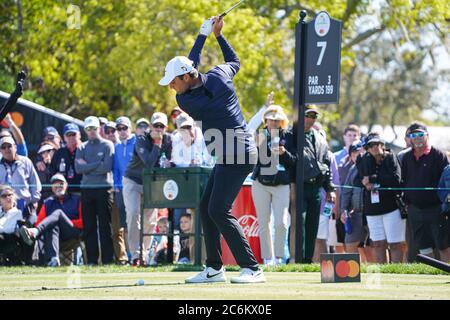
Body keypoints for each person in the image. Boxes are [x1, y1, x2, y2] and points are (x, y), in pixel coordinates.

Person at [159, 16, 264, 283]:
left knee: (218, 210)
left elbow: (192, 65)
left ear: (184, 77)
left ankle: (252, 268)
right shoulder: (219, 75)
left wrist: (203, 36)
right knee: (205, 207)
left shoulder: (186, 101)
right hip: (230, 154)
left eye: (173, 81)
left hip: (238, 154)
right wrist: (217, 36)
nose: (171, 86)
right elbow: (235, 62)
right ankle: (214, 268)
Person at [250, 104, 296, 266]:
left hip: (281, 184)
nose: (274, 123)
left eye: (277, 120)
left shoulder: (288, 136)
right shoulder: (259, 136)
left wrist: (284, 154)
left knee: (281, 222)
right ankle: (267, 258)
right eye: (270, 120)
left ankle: (279, 257)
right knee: (263, 222)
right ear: (266, 120)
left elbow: (294, 161)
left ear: (282, 121)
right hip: (260, 183)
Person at [123, 113, 172, 266]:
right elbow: (149, 164)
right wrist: (157, 144)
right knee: (133, 214)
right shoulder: (141, 140)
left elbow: (167, 162)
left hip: (151, 183)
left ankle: (144, 255)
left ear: (166, 127)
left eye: (161, 126)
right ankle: (135, 256)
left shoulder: (169, 140)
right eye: (156, 126)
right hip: (133, 180)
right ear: (150, 127)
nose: (158, 129)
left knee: (150, 222)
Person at [401, 122, 450, 262]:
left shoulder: (438, 155)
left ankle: (445, 273)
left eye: (420, 134)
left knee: (443, 245)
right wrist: (406, 202)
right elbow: (403, 180)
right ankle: (430, 272)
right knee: (423, 246)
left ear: (427, 136)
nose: (417, 138)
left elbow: (446, 181)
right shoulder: (407, 157)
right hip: (415, 209)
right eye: (413, 135)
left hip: (436, 208)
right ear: (409, 138)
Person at [358, 132, 405, 263]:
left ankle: (396, 272)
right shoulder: (364, 160)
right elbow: (360, 180)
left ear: (382, 145)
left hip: (391, 208)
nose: (375, 147)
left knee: (395, 244)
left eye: (377, 144)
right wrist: (366, 182)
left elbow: (396, 179)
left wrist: (373, 179)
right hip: (372, 209)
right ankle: (384, 273)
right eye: (371, 145)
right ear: (367, 148)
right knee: (378, 244)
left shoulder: (391, 158)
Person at [18, 174, 83, 267]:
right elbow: (39, 222)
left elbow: (83, 222)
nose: (58, 187)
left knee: (58, 213)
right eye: (55, 185)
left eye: (61, 184)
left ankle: (34, 232)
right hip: (54, 236)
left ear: (66, 185)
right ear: (52, 188)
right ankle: (54, 260)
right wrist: (54, 223)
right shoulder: (47, 202)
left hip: (72, 233)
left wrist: (62, 221)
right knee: (52, 226)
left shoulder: (77, 199)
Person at [75, 116, 114, 265]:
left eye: (94, 128)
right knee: (89, 226)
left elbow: (107, 167)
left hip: (104, 189)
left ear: (99, 129)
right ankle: (91, 260)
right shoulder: (81, 147)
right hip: (87, 190)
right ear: (85, 130)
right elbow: (79, 169)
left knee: (105, 226)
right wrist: (98, 163)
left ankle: (107, 260)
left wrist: (88, 166)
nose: (92, 131)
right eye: (89, 129)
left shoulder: (107, 145)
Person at [300, 105, 336, 263]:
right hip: (299, 186)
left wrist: (330, 188)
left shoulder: (320, 138)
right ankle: (296, 259)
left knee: (312, 226)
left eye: (314, 116)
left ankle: (307, 260)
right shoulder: (292, 134)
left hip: (316, 187)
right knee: (298, 224)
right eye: (309, 115)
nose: (311, 119)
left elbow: (327, 165)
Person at [339, 141, 370, 261]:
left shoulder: (375, 165)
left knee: (374, 246)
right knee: (350, 243)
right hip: (356, 212)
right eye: (355, 152)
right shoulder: (353, 168)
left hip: (373, 213)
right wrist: (343, 210)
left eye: (360, 151)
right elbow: (346, 192)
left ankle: (380, 276)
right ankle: (352, 275)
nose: (358, 154)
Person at [0, 136, 41, 225]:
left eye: (9, 146)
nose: (7, 149)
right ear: (0, 151)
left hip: (25, 206)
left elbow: (35, 184)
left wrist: (34, 201)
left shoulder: (26, 161)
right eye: (3, 147)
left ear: (15, 147)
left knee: (26, 234)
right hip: (4, 207)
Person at [49, 123, 83, 194]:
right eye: (68, 135)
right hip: (64, 193)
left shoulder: (85, 150)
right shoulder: (59, 152)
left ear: (79, 135)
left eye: (73, 134)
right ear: (64, 137)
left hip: (83, 191)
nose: (71, 137)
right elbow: (52, 171)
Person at [0, 186, 25, 265]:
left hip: (9, 240)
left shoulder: (17, 213)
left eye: (10, 195)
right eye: (4, 196)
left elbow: (10, 229)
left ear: (14, 198)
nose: (7, 197)